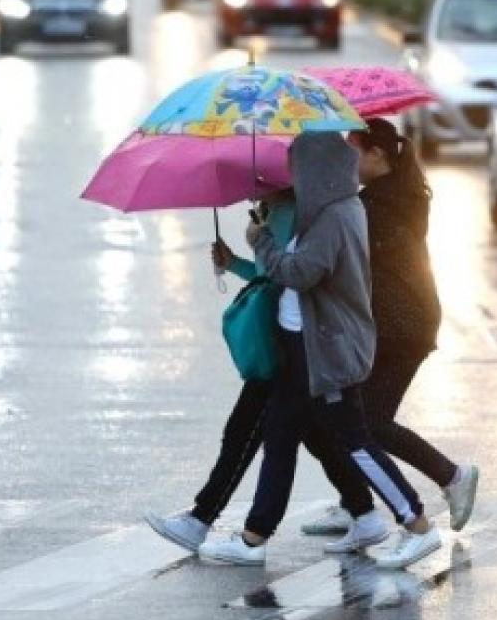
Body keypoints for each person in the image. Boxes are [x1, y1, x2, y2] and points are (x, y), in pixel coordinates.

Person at [197, 132, 441, 569]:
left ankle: (417, 524)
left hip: (325, 348)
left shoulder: (336, 216)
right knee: (280, 437)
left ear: (319, 170)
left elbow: (301, 272)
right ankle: (254, 538)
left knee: (355, 440)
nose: (293, 178)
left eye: (298, 169)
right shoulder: (325, 212)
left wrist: (262, 241)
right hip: (301, 345)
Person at [144, 189, 373, 554]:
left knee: (244, 432)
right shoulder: (279, 209)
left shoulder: (289, 212)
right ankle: (364, 511)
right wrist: (234, 262)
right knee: (315, 436)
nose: (250, 183)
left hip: (284, 344)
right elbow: (272, 277)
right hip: (288, 339)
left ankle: (203, 520)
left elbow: (289, 277)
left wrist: (260, 238)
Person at [306, 118, 477, 548]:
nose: (347, 161)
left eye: (353, 152)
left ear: (376, 155)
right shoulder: (393, 195)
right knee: (350, 418)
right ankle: (355, 503)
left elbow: (345, 254)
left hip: (401, 326)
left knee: (367, 422)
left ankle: (450, 476)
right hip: (398, 322)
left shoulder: (381, 207)